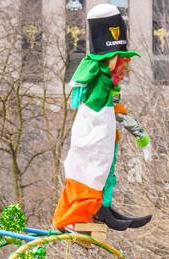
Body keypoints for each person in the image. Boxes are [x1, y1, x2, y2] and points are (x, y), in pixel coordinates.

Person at [52, 3, 152, 232]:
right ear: (112, 62)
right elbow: (104, 108)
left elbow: (118, 111)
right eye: (122, 62)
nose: (126, 68)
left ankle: (102, 207)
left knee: (103, 170)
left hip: (102, 137)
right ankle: (83, 212)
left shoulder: (110, 88)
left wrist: (141, 136)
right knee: (90, 172)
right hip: (92, 136)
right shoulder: (100, 83)